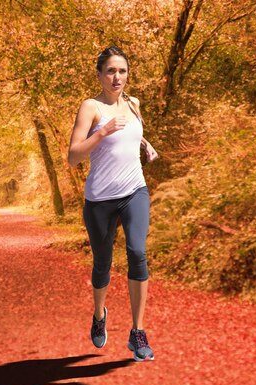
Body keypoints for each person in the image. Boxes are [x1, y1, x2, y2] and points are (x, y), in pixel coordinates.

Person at [67, 46, 158, 362]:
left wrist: (146, 145)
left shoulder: (133, 104)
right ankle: (98, 314)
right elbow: (73, 157)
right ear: (100, 75)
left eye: (122, 71)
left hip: (135, 191)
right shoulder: (90, 107)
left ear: (127, 74)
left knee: (137, 252)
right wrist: (103, 131)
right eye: (110, 71)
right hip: (100, 200)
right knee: (102, 264)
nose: (116, 77)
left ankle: (138, 332)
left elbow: (132, 133)